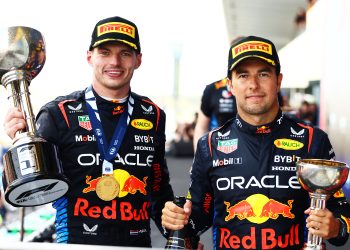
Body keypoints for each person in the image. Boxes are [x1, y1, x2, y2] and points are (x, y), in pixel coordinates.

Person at [161, 36, 350, 249]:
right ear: (230, 85)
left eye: (263, 74)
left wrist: (336, 227)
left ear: (278, 81)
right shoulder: (210, 145)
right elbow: (197, 217)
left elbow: (341, 210)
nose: (253, 84)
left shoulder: (313, 140)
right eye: (243, 75)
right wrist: (177, 217)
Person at [3, 16, 174, 247]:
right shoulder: (58, 113)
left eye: (125, 53)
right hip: (75, 243)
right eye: (104, 52)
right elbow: (24, 191)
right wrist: (19, 147)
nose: (114, 61)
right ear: (89, 57)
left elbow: (158, 189)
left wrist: (181, 236)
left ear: (138, 60)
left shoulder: (152, 115)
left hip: (137, 244)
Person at [193, 78, 237, 151]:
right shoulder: (213, 89)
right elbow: (201, 128)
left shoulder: (253, 87)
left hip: (248, 150)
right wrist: (198, 156)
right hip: (218, 149)